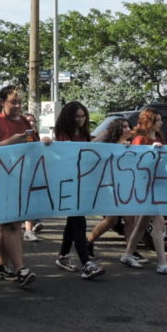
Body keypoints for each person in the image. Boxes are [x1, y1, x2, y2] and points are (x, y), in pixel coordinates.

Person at [0, 86, 48, 288]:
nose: (17, 106)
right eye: (13, 102)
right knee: (12, 224)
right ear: (2, 102)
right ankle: (20, 270)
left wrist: (45, 143)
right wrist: (10, 142)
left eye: (19, 102)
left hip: (22, 180)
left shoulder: (25, 121)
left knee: (8, 225)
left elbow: (33, 146)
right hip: (1, 179)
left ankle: (1, 267)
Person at [123, 108, 167, 276]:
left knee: (143, 223)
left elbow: (163, 161)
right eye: (158, 120)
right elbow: (136, 161)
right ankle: (162, 263)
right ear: (149, 121)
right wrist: (152, 151)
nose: (161, 123)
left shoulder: (157, 138)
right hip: (143, 186)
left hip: (154, 185)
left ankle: (128, 254)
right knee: (159, 222)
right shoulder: (140, 139)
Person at [51, 102, 105, 280]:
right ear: (69, 117)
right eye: (77, 116)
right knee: (79, 222)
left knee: (73, 222)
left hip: (81, 183)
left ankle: (63, 256)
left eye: (83, 116)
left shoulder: (83, 135)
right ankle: (87, 264)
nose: (81, 120)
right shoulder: (62, 135)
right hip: (67, 184)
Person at [85, 118, 138, 260]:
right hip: (109, 187)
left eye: (129, 126)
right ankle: (89, 241)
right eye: (124, 127)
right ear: (117, 130)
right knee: (111, 220)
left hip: (124, 187)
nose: (128, 129)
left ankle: (130, 250)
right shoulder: (108, 146)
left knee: (129, 219)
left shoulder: (130, 145)